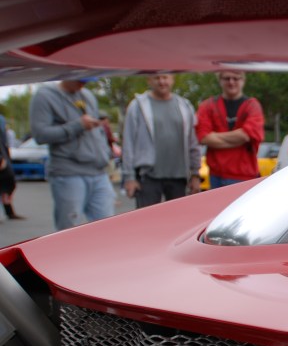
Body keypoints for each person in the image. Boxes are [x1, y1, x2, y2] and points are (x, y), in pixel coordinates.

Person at [30, 78, 114, 230]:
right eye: (80, 80)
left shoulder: (87, 95)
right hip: (68, 173)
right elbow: (40, 135)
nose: (83, 84)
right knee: (70, 228)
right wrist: (77, 126)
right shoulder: (45, 95)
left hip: (98, 171)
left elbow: (97, 133)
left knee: (107, 226)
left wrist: (106, 152)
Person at [121, 73, 202, 208]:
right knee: (147, 223)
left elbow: (192, 142)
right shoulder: (137, 106)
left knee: (179, 222)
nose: (161, 81)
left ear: (172, 79)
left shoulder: (184, 105)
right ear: (149, 80)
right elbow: (128, 143)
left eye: (165, 77)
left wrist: (195, 174)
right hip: (148, 178)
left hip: (179, 177)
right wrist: (129, 177)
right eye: (156, 78)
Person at [195, 70, 265, 188]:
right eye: (227, 78)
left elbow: (247, 134)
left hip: (245, 177)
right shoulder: (208, 106)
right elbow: (203, 137)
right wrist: (239, 139)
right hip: (216, 177)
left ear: (243, 80)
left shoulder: (252, 106)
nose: (231, 82)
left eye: (236, 78)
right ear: (220, 81)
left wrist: (215, 137)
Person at [0, 113, 23, 219]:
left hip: (4, 154)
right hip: (2, 156)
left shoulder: (2, 119)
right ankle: (8, 210)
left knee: (9, 183)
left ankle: (9, 210)